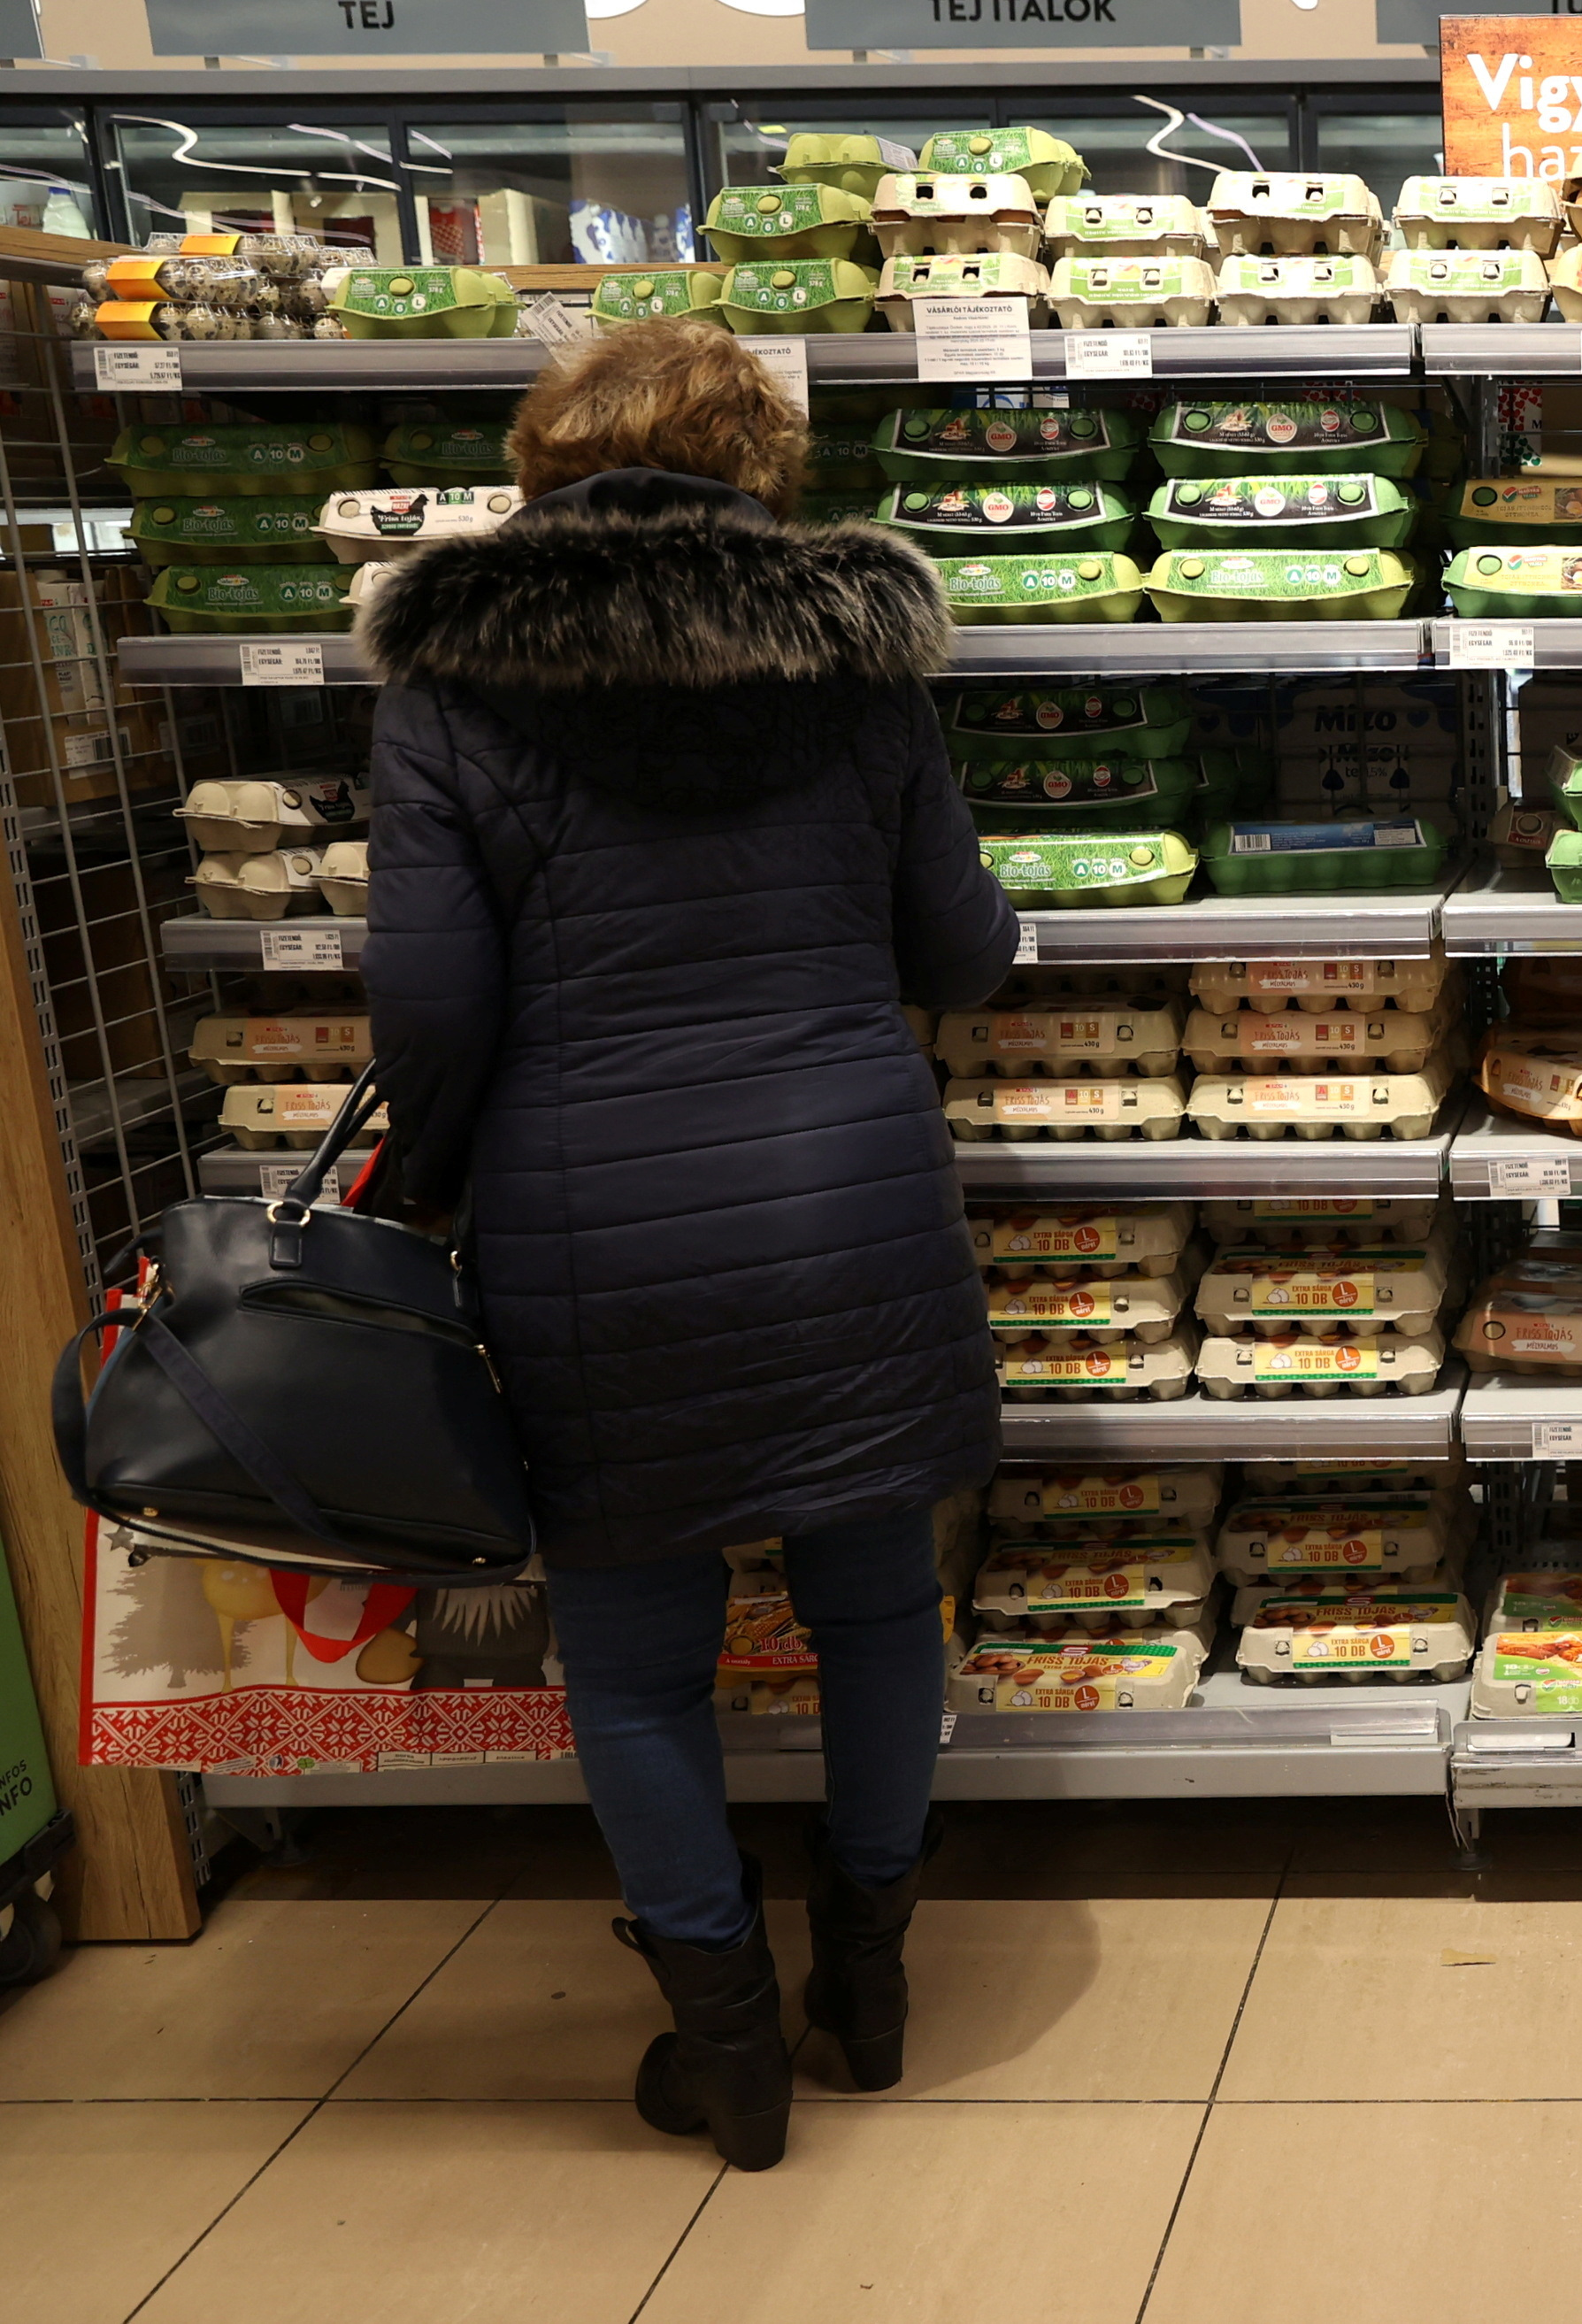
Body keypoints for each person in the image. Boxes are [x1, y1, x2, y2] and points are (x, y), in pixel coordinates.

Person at [357, 323, 1016, 2172]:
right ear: (756, 465)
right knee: (875, 1602)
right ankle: (868, 1989)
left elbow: (429, 994)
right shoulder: (858, 653)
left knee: (636, 1654)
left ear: (544, 464)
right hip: (851, 1195)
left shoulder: (446, 670)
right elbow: (959, 947)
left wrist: (433, 1171)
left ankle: (727, 2054)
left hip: (595, 1211)